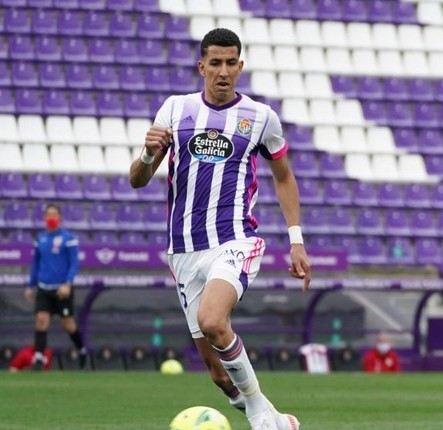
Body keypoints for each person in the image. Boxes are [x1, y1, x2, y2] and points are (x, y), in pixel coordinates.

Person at [128, 28, 311, 430]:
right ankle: (278, 422)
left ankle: (261, 412)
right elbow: (137, 179)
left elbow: (284, 177)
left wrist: (296, 239)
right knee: (217, 373)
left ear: (240, 66)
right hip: (183, 252)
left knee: (213, 320)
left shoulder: (261, 118)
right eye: (215, 63)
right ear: (201, 66)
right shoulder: (175, 110)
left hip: (234, 240)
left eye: (231, 63)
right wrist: (146, 152)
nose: (223, 71)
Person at [25, 203, 86, 370]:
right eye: (48, 214)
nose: (51, 218)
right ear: (45, 218)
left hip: (62, 289)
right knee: (41, 320)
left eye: (54, 214)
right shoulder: (40, 239)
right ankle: (38, 359)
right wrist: (30, 286)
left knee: (67, 323)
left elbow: (74, 264)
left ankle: (82, 350)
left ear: (59, 217)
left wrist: (68, 284)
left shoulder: (68, 239)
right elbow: (35, 264)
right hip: (44, 288)